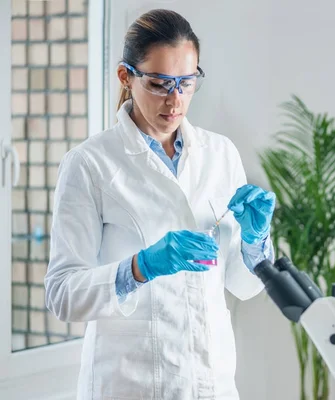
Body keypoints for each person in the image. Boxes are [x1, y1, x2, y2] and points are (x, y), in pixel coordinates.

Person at [44, 9, 275, 400]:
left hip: (211, 381)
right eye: (158, 84)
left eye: (186, 83)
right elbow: (63, 295)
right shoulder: (89, 164)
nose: (175, 100)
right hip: (131, 383)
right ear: (126, 77)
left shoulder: (220, 154)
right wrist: (140, 267)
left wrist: (255, 243)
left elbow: (243, 285)